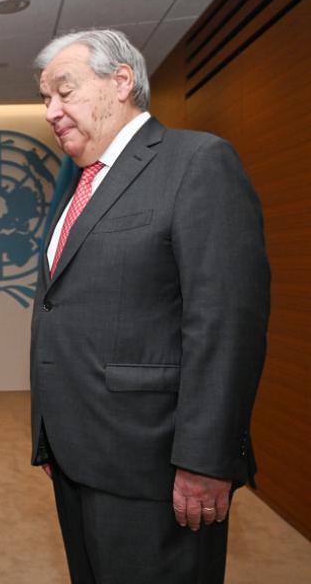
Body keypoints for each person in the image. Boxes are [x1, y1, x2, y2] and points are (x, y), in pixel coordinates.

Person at [30, 29, 270, 584]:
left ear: (121, 82)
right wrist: (49, 434)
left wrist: (206, 459)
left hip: (155, 466)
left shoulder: (198, 162)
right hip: (76, 455)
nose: (51, 111)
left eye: (64, 91)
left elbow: (226, 324)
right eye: (45, 99)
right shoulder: (81, 187)